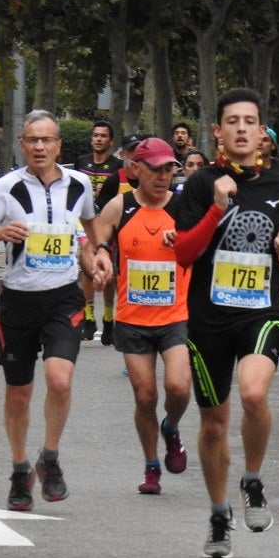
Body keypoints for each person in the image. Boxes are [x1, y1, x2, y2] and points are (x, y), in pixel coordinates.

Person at [173, 87, 279, 558]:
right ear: (218, 131)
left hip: (261, 311)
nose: (241, 129)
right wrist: (215, 207)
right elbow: (184, 254)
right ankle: (217, 514)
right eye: (232, 121)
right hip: (208, 319)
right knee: (213, 425)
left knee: (254, 393)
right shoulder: (199, 184)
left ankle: (252, 480)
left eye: (249, 121)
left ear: (261, 133)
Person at [0, 110, 96, 511]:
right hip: (18, 300)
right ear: (21, 144)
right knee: (18, 393)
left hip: (63, 297)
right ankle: (20, 468)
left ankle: (50, 459)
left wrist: (98, 257)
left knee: (60, 380)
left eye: (46, 140)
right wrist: (0, 232)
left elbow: (91, 231)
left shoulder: (80, 185)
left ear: (59, 144)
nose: (39, 147)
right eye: (31, 140)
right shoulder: (6, 187)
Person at [84, 137, 192, 495]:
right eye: (155, 169)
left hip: (176, 314)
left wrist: (186, 240)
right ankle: (151, 466)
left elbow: (203, 242)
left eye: (168, 169)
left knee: (177, 387)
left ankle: (172, 427)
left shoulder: (182, 204)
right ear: (136, 170)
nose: (163, 176)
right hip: (134, 317)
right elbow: (97, 234)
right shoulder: (121, 205)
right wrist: (102, 255)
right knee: (144, 396)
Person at [74, 120, 124, 340]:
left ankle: (108, 317)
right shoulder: (81, 162)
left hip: (107, 224)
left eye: (103, 136)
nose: (98, 139)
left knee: (107, 271)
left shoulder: (117, 166)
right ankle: (88, 317)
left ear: (110, 141)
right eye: (95, 135)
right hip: (84, 222)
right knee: (87, 266)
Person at [95, 133, 146, 346]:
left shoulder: (150, 177)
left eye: (139, 151)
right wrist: (100, 246)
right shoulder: (115, 180)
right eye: (131, 151)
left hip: (144, 239)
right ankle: (108, 317)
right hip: (118, 240)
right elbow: (100, 214)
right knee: (113, 280)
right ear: (123, 154)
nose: (134, 156)